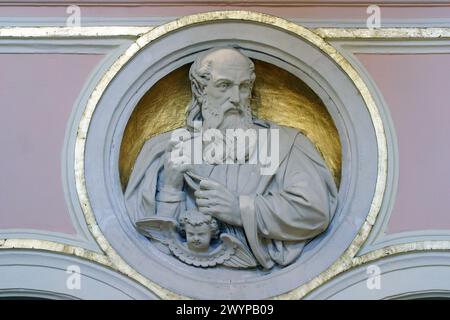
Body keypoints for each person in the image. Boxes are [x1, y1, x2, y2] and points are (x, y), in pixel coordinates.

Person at [125, 47, 338, 269]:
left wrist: (240, 209)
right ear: (199, 89)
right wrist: (170, 190)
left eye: (244, 87)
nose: (236, 98)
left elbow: (313, 211)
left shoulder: (286, 144)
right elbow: (154, 245)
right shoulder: (161, 150)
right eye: (224, 85)